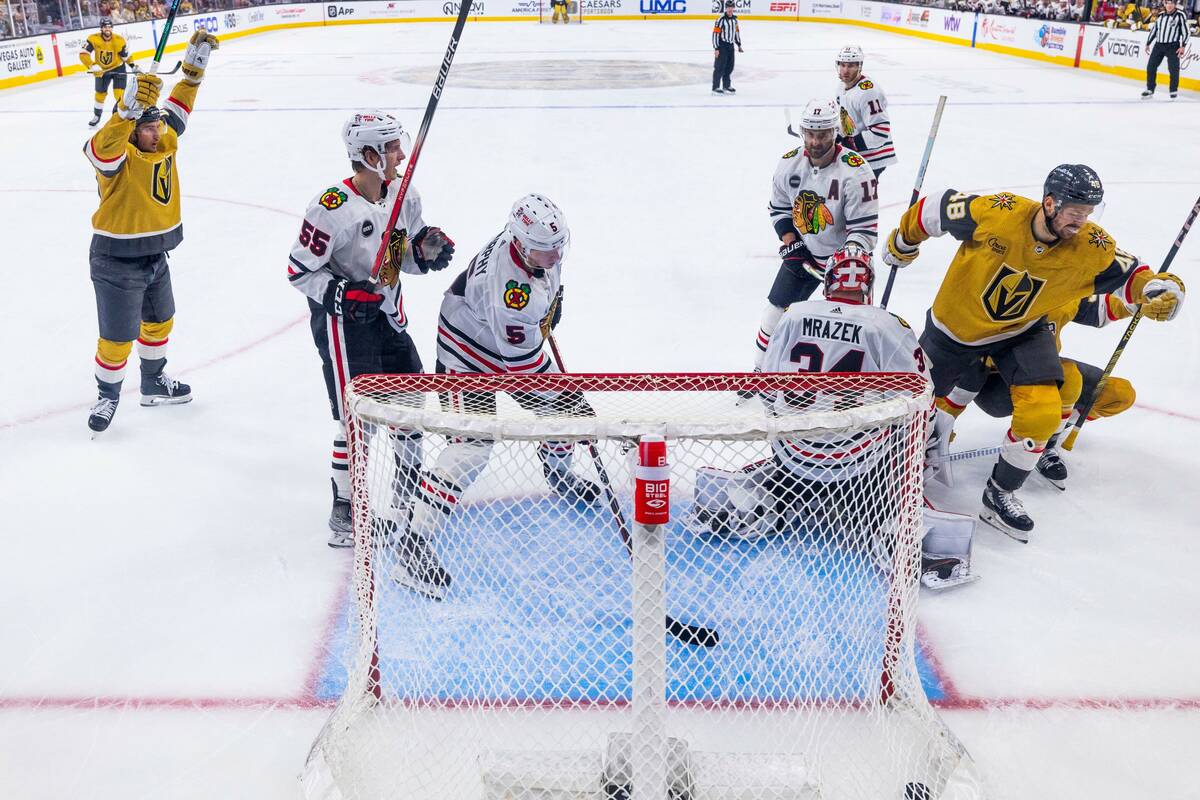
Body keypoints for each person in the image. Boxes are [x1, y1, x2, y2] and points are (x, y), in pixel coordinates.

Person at [881, 164, 1186, 540]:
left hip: (1022, 331)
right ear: (1050, 203)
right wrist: (903, 241)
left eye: (1089, 213)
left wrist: (1158, 289)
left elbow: (1133, 275)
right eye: (1076, 212)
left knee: (1043, 409)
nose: (1082, 221)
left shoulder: (1090, 246)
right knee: (912, 408)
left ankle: (1000, 492)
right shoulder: (1001, 212)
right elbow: (938, 207)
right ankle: (890, 468)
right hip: (955, 330)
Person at [694, 250, 978, 589]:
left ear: (828, 281)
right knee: (918, 422)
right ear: (868, 286)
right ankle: (892, 527)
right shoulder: (888, 324)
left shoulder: (792, 315)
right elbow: (922, 395)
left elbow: (765, 385)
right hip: (860, 468)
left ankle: (762, 497)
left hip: (794, 458)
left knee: (792, 441)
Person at [392, 194, 600, 599]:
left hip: (503, 338)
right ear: (521, 245)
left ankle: (558, 474)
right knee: (472, 447)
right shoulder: (509, 291)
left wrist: (551, 308)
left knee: (562, 413)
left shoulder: (536, 249)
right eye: (546, 249)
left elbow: (542, 301)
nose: (556, 254)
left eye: (560, 245)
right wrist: (566, 394)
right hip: (466, 355)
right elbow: (523, 367)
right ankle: (412, 546)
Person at [287, 110, 456, 548]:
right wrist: (341, 294)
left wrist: (427, 252)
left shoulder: (404, 195)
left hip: (389, 315)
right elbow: (299, 271)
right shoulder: (331, 209)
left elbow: (400, 257)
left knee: (411, 402)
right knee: (356, 418)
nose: (401, 153)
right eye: (392, 147)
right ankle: (346, 510)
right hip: (344, 329)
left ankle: (406, 492)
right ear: (368, 155)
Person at [84, 30, 219, 437]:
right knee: (117, 337)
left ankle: (153, 381)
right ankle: (107, 394)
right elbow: (98, 149)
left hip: (155, 254)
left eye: (158, 125)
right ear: (132, 132)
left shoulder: (165, 139)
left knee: (160, 320)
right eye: (149, 128)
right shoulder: (119, 157)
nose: (158, 132)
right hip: (116, 260)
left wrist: (193, 73)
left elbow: (179, 109)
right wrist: (124, 112)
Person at [949, 289, 1178, 489]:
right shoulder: (1011, 288)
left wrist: (1144, 300)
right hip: (993, 383)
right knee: (1067, 375)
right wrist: (941, 425)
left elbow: (1100, 307)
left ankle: (1046, 441)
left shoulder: (1064, 283)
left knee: (1118, 394)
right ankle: (1028, 451)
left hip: (1042, 367)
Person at [751, 98, 878, 373]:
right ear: (802, 132)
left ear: (835, 132)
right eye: (810, 133)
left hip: (846, 264)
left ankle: (847, 382)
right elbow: (779, 209)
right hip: (805, 255)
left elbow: (865, 231)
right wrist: (791, 243)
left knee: (846, 329)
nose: (815, 141)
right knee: (774, 313)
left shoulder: (857, 171)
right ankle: (760, 372)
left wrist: (846, 262)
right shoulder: (789, 165)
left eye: (822, 134)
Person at [834, 45, 897, 179]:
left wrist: (851, 142)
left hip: (873, 157)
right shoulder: (842, 86)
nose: (845, 70)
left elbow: (881, 130)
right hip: (857, 156)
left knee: (860, 196)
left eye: (851, 66)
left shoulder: (868, 92)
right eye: (842, 65)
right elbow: (849, 119)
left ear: (859, 66)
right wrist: (836, 135)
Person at [80, 16, 135, 127]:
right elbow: (83, 54)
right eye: (105, 27)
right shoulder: (93, 38)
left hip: (118, 68)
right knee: (100, 94)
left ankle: (122, 116)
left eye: (110, 27)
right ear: (101, 28)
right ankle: (97, 116)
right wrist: (92, 65)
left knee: (119, 94)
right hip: (101, 70)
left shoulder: (119, 40)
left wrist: (133, 66)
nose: (108, 29)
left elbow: (125, 56)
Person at [1142, 0, 1190, 98]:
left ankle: (1173, 90)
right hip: (1158, 45)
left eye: (1172, 3)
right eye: (1167, 3)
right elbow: (1155, 30)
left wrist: (1183, 46)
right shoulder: (1160, 15)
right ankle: (1150, 89)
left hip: (1173, 46)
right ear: (1164, 4)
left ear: (1175, 4)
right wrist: (1148, 43)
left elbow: (1186, 32)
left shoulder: (1180, 15)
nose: (1169, 5)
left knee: (1173, 69)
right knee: (1151, 67)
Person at [711, 0, 742, 96]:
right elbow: (715, 34)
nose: (730, 9)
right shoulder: (720, 19)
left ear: (733, 8)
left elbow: (736, 32)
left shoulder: (735, 19)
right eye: (728, 7)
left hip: (730, 46)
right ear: (726, 8)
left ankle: (726, 86)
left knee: (729, 66)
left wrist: (739, 44)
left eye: (731, 7)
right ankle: (715, 87)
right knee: (719, 67)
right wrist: (716, 48)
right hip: (722, 46)